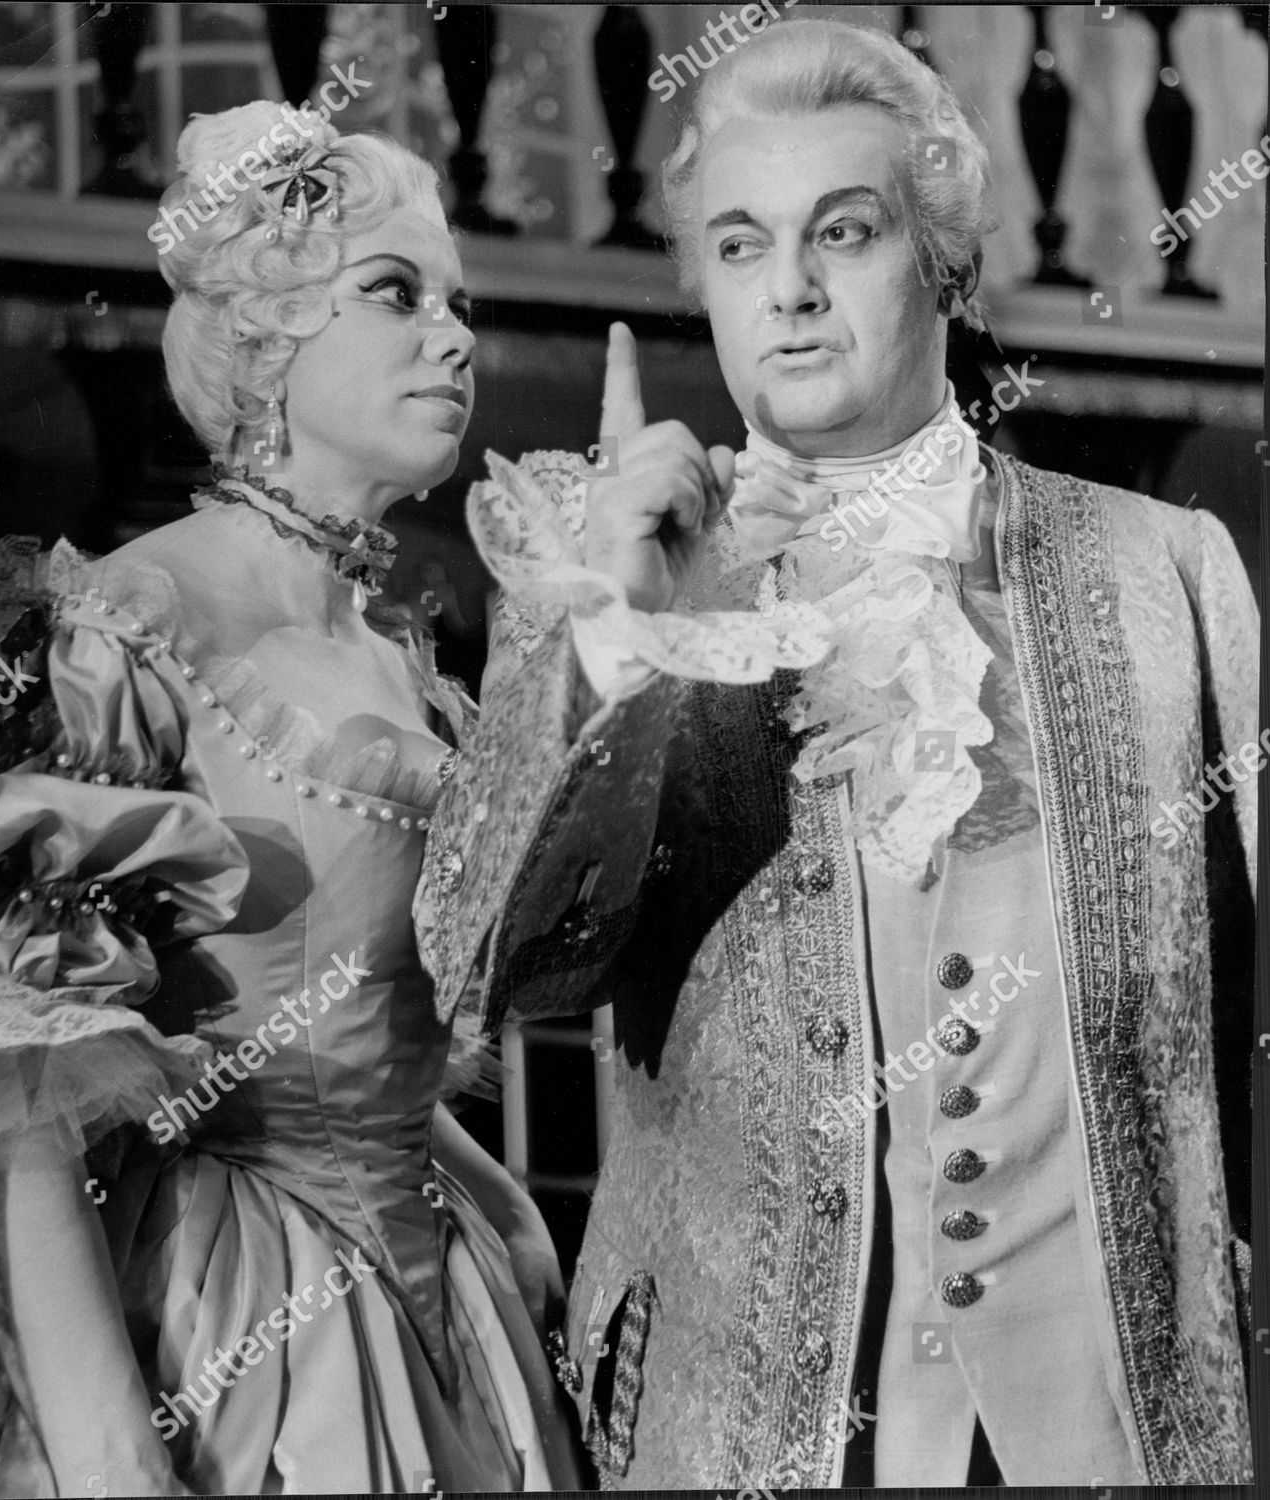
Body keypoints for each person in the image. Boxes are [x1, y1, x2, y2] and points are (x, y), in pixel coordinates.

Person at [414, 18, 1256, 1489]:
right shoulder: (603, 563)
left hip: (1106, 1429)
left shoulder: (1162, 569)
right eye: (739, 245)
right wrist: (623, 636)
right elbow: (493, 969)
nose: (789, 290)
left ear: (945, 262)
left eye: (844, 233)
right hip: (748, 1433)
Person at [0, 101, 582, 1496]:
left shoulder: (402, 655)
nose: (455, 339)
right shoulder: (125, 625)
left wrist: (483, 1184)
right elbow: (15, 1084)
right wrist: (111, 1458)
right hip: (228, 1314)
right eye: (396, 292)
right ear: (269, 332)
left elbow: (344, 1012)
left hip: (437, 1283)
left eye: (460, 304)